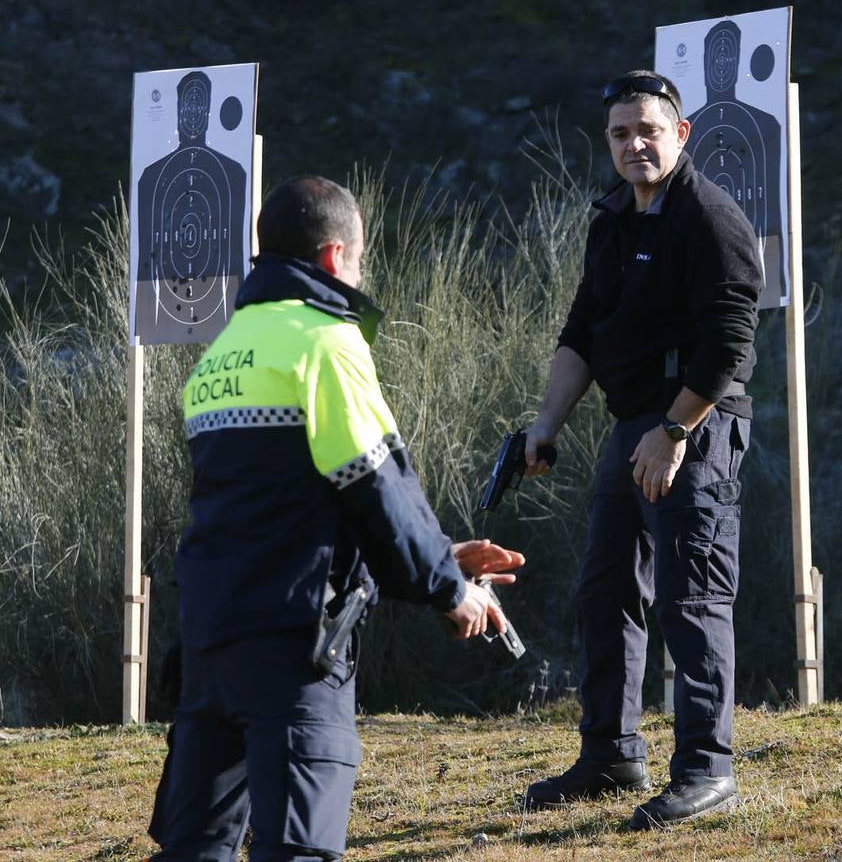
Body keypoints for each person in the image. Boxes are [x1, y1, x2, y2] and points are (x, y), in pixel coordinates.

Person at [147, 175, 525, 860]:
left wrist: (441, 551)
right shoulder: (326, 342)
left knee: (193, 847)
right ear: (332, 259)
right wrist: (449, 588)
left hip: (208, 640)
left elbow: (286, 499)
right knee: (299, 847)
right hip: (295, 644)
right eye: (357, 260)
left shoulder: (218, 358)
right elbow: (374, 485)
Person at [520, 70, 762, 829]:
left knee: (692, 598)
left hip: (696, 426)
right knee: (605, 590)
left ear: (680, 134)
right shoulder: (612, 221)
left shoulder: (711, 217)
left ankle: (706, 770)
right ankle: (611, 755)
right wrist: (545, 425)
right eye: (621, 133)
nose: (634, 144)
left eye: (648, 130)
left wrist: (677, 431)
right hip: (633, 430)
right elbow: (581, 332)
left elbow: (730, 341)